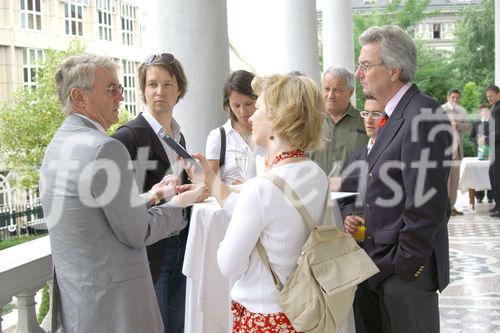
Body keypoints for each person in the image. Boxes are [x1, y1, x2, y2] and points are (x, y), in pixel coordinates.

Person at [39, 54, 204, 333]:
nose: (121, 97)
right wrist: (179, 206)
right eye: (111, 89)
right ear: (79, 97)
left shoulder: (59, 143)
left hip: (82, 302)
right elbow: (137, 231)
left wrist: (152, 195)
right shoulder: (106, 148)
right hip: (115, 307)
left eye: (120, 88)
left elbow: (99, 209)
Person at [191, 73, 344, 332]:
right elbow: (271, 215)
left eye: (258, 108)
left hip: (265, 317)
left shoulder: (261, 188)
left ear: (277, 121)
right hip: (304, 313)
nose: (250, 116)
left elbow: (228, 264)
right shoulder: (314, 173)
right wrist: (210, 178)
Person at [354, 25, 452, 333]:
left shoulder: (423, 114)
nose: (359, 73)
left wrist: (405, 267)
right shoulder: (394, 115)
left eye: (366, 65)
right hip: (381, 267)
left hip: (405, 275)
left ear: (394, 70)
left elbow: (427, 205)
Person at [112, 53, 206, 333]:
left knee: (179, 324)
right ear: (143, 89)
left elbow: (173, 191)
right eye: (152, 84)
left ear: (180, 90)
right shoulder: (127, 137)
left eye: (168, 84)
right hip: (151, 252)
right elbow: (123, 204)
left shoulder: (178, 136)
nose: (160, 91)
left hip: (182, 243)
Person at [205, 70, 265, 184]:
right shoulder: (218, 137)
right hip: (234, 200)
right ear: (228, 104)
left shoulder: (271, 133)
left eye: (248, 104)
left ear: (259, 100)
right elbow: (211, 186)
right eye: (236, 105)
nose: (243, 111)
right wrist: (231, 189)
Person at [310, 67, 368, 175]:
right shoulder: (309, 122)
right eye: (326, 89)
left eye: (337, 90)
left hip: (353, 190)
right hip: (314, 189)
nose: (330, 95)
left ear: (350, 92)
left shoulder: (365, 122)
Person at [441, 88, 471, 216]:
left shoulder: (462, 111)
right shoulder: (441, 110)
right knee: (444, 180)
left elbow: (469, 127)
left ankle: (452, 206)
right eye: (453, 97)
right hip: (444, 150)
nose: (455, 100)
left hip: (457, 150)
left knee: (454, 180)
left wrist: (460, 126)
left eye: (457, 98)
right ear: (448, 97)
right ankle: (444, 208)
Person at [470, 103, 493, 203]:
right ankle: (479, 196)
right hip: (478, 151)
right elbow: (471, 137)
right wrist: (478, 140)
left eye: (487, 110)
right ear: (480, 112)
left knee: (490, 173)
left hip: (492, 151)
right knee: (479, 173)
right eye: (483, 111)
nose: (485, 112)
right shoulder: (476, 123)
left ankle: (491, 196)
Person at [486, 85, 500, 217]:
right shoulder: (495, 108)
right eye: (488, 97)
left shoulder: (498, 109)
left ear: (498, 94)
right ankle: (497, 204)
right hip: (495, 149)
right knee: (492, 174)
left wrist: (485, 139)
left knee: (497, 177)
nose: (489, 99)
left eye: (491, 96)